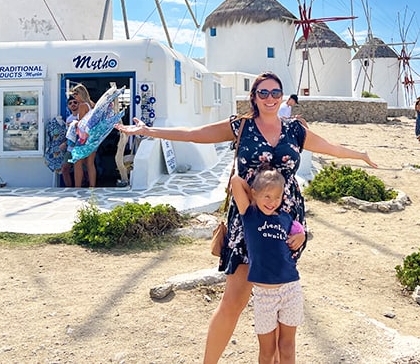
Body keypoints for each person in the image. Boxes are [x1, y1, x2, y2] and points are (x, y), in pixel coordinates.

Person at [115, 71, 376, 363]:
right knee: (233, 301)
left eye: (275, 93)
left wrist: (361, 154)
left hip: (286, 223)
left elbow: (331, 148)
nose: (270, 98)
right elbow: (193, 134)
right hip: (249, 221)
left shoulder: (295, 130)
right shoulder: (242, 126)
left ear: (282, 96)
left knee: (277, 299)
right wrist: (149, 132)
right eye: (263, 93)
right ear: (253, 96)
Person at [230, 168, 303, 364]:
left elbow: (299, 230)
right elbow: (236, 181)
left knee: (287, 347)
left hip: (291, 290)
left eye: (277, 197)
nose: (272, 202)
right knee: (267, 351)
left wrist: (301, 234)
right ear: (254, 194)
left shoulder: (286, 218)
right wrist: (254, 194)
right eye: (267, 196)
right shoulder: (250, 214)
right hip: (265, 296)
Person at [70, 83, 97, 188]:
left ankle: (77, 187)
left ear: (81, 93)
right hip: (93, 137)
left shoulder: (82, 106)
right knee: (90, 163)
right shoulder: (91, 104)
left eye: (76, 94)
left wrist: (74, 123)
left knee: (77, 162)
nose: (74, 97)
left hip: (83, 137)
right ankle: (92, 187)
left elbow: (81, 124)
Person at [59, 97, 79, 186]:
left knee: (81, 170)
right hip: (70, 148)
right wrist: (65, 143)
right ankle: (69, 189)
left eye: (75, 102)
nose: (73, 104)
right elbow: (69, 134)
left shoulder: (82, 116)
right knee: (64, 168)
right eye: (70, 103)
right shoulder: (69, 119)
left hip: (81, 147)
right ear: (68, 106)